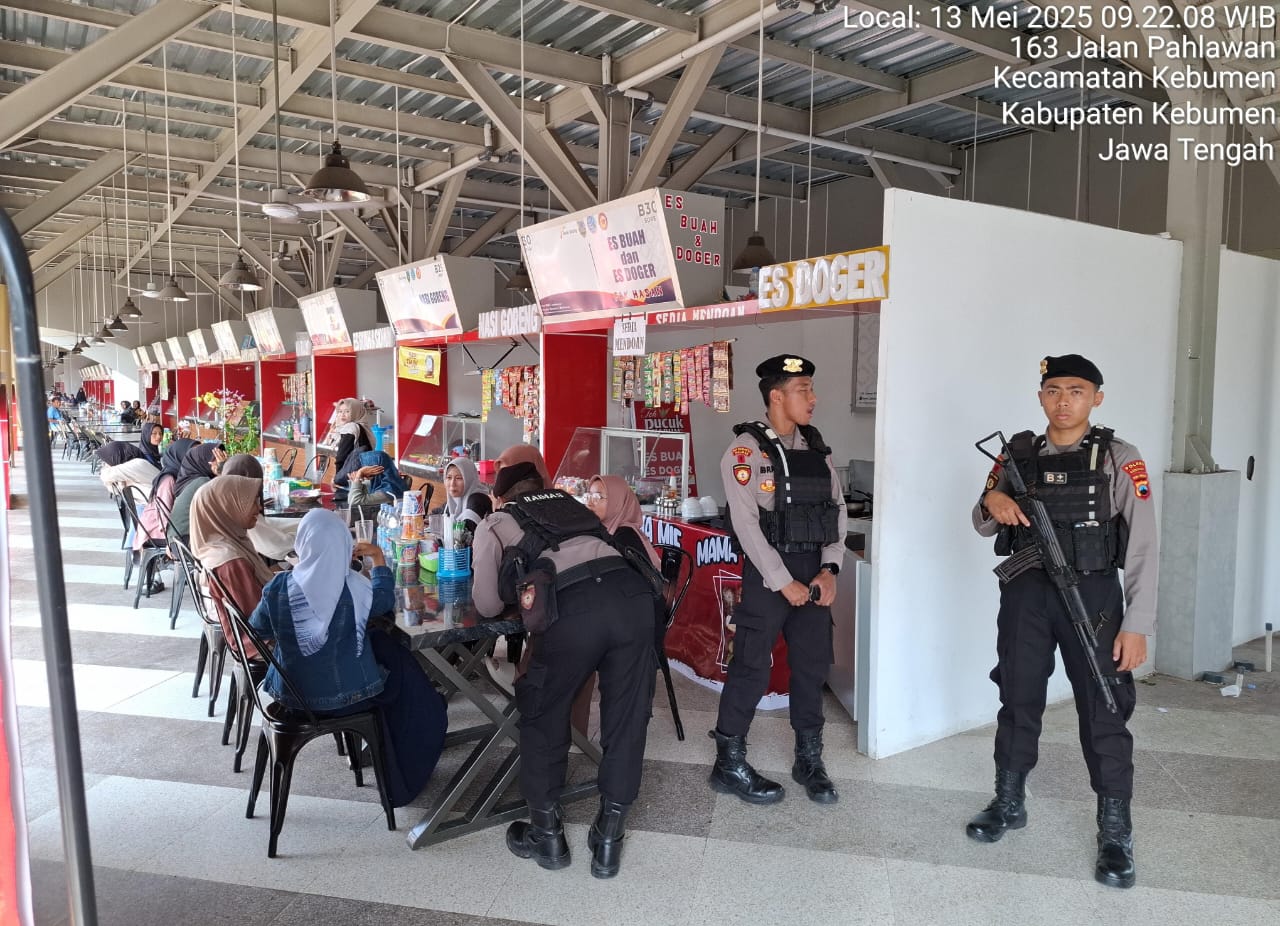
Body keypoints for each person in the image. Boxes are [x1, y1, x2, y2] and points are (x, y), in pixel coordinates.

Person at [968, 354, 1157, 890]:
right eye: (1053, 390)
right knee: (1018, 694)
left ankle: (1115, 831)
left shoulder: (1120, 457)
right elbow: (981, 523)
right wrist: (993, 497)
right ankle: (1008, 801)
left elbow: (1144, 546)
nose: (1063, 401)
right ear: (1040, 397)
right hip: (1027, 593)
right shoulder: (1016, 453)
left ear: (1097, 398)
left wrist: (1137, 622)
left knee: (1104, 704)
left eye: (1076, 391)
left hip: (1094, 595)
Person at [472, 460, 659, 879]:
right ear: (543, 487)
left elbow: (486, 604)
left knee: (543, 711)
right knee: (628, 716)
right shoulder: (572, 506)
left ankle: (547, 837)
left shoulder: (496, 521)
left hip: (572, 611)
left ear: (499, 498)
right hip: (631, 599)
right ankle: (609, 839)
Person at [711, 354, 847, 806]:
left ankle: (809, 759)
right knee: (751, 665)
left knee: (811, 667)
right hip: (769, 574)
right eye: (803, 390)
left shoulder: (817, 448)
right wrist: (780, 579)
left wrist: (831, 568)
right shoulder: (745, 452)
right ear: (776, 396)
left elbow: (836, 511)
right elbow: (746, 524)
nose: (813, 398)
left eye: (811, 388)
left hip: (813, 571)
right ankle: (728, 762)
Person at [249, 509, 448, 807]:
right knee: (400, 672)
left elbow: (258, 628)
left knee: (388, 655)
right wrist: (378, 559)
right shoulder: (355, 588)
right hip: (350, 698)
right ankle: (405, 763)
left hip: (292, 697)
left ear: (302, 544)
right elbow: (385, 601)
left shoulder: (278, 588)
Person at [574, 475, 663, 736]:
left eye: (599, 497)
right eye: (589, 495)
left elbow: (639, 591)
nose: (590, 502)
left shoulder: (624, 537)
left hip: (637, 628)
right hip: (618, 618)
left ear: (617, 502)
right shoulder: (604, 531)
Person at [190, 474, 277, 661]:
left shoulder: (221, 543)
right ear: (227, 508)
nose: (259, 508)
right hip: (259, 644)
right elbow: (258, 618)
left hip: (249, 637)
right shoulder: (230, 561)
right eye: (251, 502)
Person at [136, 437, 198, 547]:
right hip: (156, 532)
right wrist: (171, 542)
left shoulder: (183, 475)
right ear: (180, 455)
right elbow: (163, 516)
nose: (197, 458)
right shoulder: (169, 479)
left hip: (170, 527)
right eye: (192, 454)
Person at [167, 442, 227, 543]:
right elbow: (226, 505)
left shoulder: (190, 480)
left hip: (178, 540)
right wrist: (223, 472)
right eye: (215, 459)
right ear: (203, 461)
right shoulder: (202, 483)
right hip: (185, 541)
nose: (219, 462)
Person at [341, 451, 408, 508]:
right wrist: (359, 479)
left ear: (375, 470)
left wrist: (358, 476)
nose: (364, 471)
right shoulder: (385, 483)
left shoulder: (389, 491)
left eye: (365, 468)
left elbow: (353, 500)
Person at [324, 398, 374, 473]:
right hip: (361, 472)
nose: (342, 415)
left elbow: (341, 457)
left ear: (355, 411)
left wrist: (337, 477)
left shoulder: (351, 428)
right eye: (340, 411)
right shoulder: (361, 426)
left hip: (351, 474)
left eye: (347, 411)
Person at [433, 457, 479, 522]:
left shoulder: (476, 501)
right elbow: (437, 513)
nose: (452, 483)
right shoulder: (455, 499)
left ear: (469, 479)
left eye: (458, 478)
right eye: (449, 477)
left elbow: (466, 527)